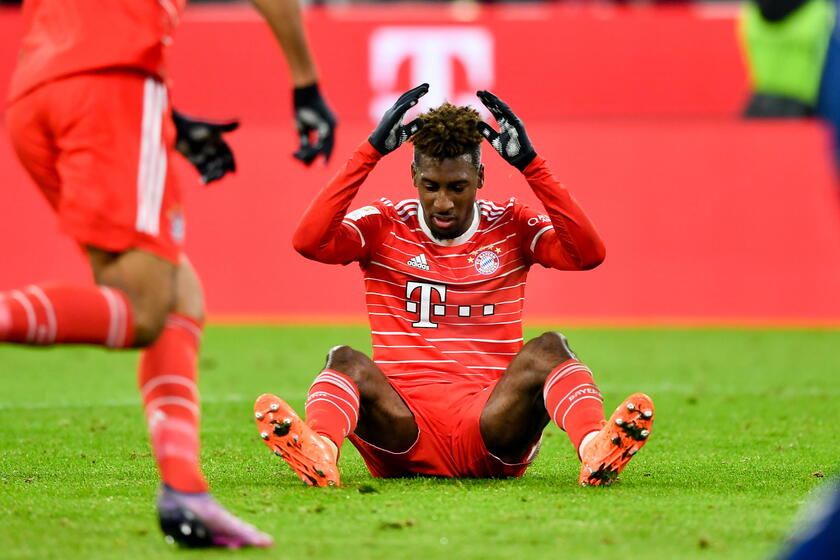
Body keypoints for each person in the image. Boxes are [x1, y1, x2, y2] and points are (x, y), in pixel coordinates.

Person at [2, 0, 337, 549]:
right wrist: (306, 85)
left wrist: (169, 123)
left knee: (180, 294)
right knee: (146, 308)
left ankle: (186, 492)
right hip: (109, 85)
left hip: (35, 88)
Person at [254, 84, 654, 488]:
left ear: (479, 177)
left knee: (551, 348)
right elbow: (309, 242)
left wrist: (532, 165)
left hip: (492, 427)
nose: (443, 202)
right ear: (413, 176)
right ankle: (320, 451)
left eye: (457, 187)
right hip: (402, 430)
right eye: (431, 186)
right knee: (344, 360)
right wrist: (369, 153)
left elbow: (588, 254)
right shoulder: (384, 224)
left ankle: (596, 450)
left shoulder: (511, 223)